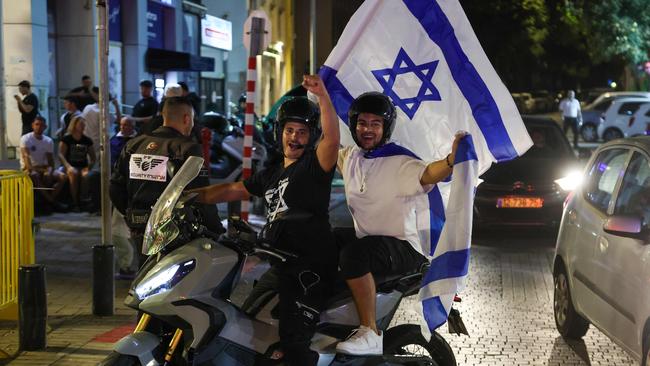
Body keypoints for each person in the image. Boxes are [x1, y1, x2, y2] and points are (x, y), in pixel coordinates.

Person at [189, 75, 340, 365]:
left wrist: (322, 97)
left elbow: (332, 138)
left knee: (294, 340)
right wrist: (187, 196)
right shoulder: (272, 173)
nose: (294, 137)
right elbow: (231, 189)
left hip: (310, 265)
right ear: (280, 132)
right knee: (248, 324)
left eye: (302, 132)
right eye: (289, 130)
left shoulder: (314, 166)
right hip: (282, 263)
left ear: (311, 138)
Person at [334, 92, 464, 356]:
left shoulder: (400, 162)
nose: (367, 129)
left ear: (385, 128)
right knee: (327, 239)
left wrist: (451, 161)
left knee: (354, 255)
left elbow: (428, 173)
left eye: (375, 124)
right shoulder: (351, 158)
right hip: (372, 243)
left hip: (404, 249)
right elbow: (326, 148)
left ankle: (369, 331)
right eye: (362, 123)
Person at [109, 96, 224, 267]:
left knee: (146, 275)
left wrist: (131, 214)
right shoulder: (187, 148)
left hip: (140, 227)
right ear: (186, 118)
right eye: (191, 120)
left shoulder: (134, 145)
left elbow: (115, 187)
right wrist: (216, 230)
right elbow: (199, 193)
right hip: (175, 231)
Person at [110, 116, 137, 279]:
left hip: (130, 186)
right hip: (122, 187)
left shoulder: (137, 141)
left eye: (128, 124)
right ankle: (125, 266)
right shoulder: (115, 141)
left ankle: (126, 265)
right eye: (122, 125)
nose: (125, 127)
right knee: (119, 229)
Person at [20, 116, 67, 211]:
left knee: (63, 177)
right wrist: (43, 170)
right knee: (34, 175)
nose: (39, 127)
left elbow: (51, 161)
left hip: (43, 167)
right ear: (32, 125)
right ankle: (51, 202)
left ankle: (48, 201)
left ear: (45, 127)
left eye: (41, 125)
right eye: (37, 124)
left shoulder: (48, 141)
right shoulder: (26, 138)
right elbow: (27, 163)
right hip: (29, 169)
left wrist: (49, 171)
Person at [58, 115, 95, 211]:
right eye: (81, 124)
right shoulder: (66, 139)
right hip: (69, 165)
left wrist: (89, 167)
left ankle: (83, 200)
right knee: (73, 173)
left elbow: (93, 158)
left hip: (83, 166)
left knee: (86, 175)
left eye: (84, 124)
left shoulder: (87, 140)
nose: (83, 126)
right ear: (74, 125)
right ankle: (75, 202)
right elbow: (61, 155)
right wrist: (68, 166)